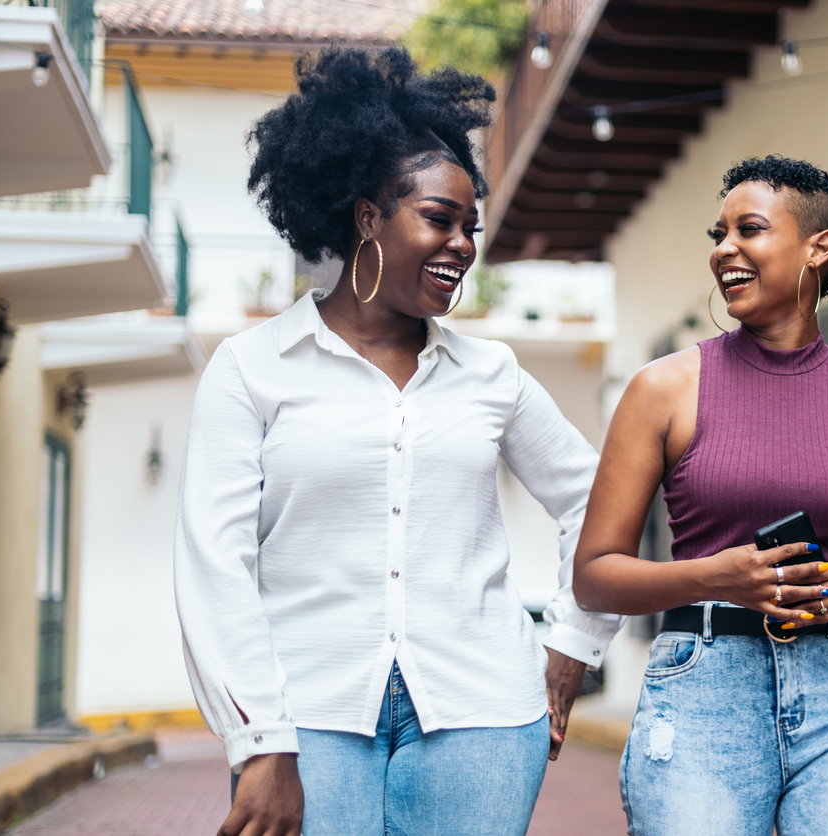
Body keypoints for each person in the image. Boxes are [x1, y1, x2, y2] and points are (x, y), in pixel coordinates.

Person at [174, 46, 622, 836]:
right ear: (368, 218)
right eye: (439, 220)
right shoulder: (252, 369)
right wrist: (260, 740)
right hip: (307, 715)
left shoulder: (492, 374)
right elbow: (216, 562)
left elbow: (596, 498)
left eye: (470, 227)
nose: (461, 245)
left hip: (483, 712)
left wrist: (572, 646)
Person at [573, 155, 828, 836]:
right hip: (702, 690)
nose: (724, 251)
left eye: (748, 230)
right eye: (718, 235)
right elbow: (595, 577)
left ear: (818, 247)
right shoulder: (664, 391)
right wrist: (719, 576)